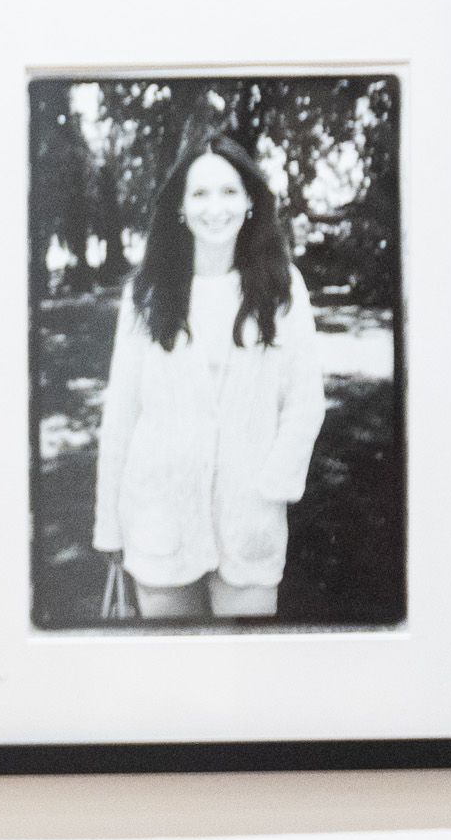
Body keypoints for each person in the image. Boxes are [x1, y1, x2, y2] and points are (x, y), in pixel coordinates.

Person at [91, 133, 332, 621]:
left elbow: (306, 401)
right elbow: (120, 415)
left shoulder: (283, 289)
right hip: (159, 517)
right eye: (199, 193)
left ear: (249, 203)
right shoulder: (147, 293)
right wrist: (110, 528)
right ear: (179, 207)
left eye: (228, 192)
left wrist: (272, 486)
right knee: (169, 679)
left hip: (249, 521)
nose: (214, 208)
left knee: (244, 676)